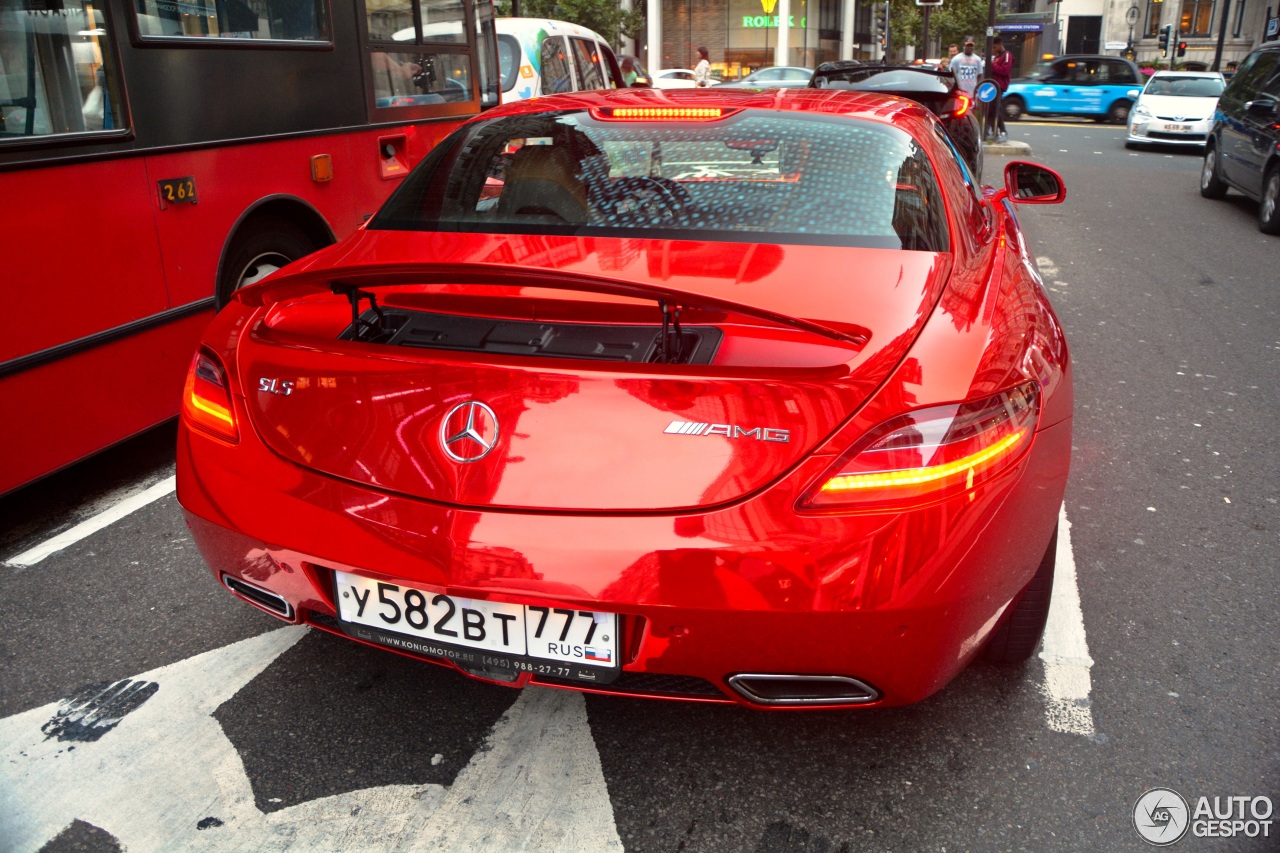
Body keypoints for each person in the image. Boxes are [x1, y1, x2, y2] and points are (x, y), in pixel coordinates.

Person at [987, 36, 1013, 141]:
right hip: (993, 85)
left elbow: (1004, 70)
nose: (993, 50)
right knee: (992, 108)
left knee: (997, 108)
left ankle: (1002, 131)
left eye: (994, 47)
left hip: (999, 85)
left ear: (999, 45)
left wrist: (992, 65)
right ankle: (993, 131)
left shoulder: (1007, 55)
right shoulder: (998, 56)